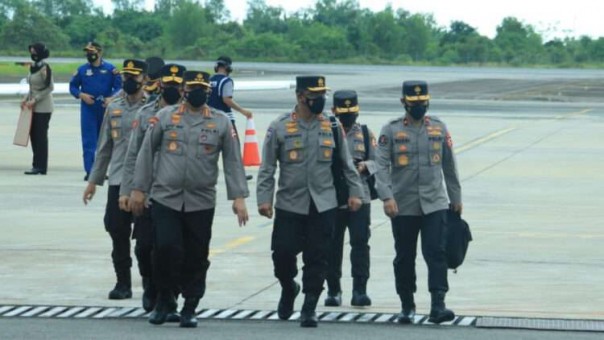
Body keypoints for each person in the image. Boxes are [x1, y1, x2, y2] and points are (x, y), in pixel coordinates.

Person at [130, 70, 249, 328]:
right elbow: (146, 153)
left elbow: (232, 160)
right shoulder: (164, 117)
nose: (197, 92)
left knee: (196, 255)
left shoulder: (220, 122)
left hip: (201, 200)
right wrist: (138, 189)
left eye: (202, 89)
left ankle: (190, 306)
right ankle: (164, 300)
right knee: (165, 249)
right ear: (184, 90)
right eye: (193, 87)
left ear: (207, 92)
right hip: (165, 197)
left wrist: (238, 196)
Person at [256, 76, 364, 328]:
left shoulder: (332, 125)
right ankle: (288, 286)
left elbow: (347, 165)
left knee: (317, 257)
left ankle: (309, 305)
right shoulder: (280, 126)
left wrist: (355, 192)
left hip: (323, 204)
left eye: (323, 95)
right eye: (315, 96)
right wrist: (264, 199)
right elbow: (267, 167)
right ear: (300, 97)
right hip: (289, 203)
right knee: (282, 254)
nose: (321, 100)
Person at [374, 80, 463, 324]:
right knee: (404, 256)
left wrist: (456, 198)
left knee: (436, 253)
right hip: (403, 204)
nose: (419, 106)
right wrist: (387, 197)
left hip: (435, 202)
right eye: (414, 103)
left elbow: (449, 165)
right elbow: (380, 166)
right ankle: (407, 305)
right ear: (404, 102)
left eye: (423, 102)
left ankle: (438, 305)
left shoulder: (439, 127)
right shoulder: (390, 130)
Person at [119, 63, 186, 316]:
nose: (171, 89)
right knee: (144, 247)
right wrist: (127, 190)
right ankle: (150, 283)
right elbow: (132, 154)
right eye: (167, 84)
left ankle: (168, 298)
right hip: (146, 192)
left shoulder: (193, 115)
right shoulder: (146, 114)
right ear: (160, 85)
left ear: (183, 87)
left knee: (172, 250)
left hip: (175, 194)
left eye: (176, 85)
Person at [82, 59, 148, 301]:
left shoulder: (152, 107)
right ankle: (123, 282)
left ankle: (149, 284)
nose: (130, 81)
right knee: (116, 229)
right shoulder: (114, 108)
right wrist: (93, 182)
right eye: (126, 76)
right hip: (118, 180)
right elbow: (104, 148)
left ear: (145, 79)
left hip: (144, 184)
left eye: (135, 77)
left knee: (146, 238)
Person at [324, 90, 376, 307]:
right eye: (343, 112)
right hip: (333, 198)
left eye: (352, 112)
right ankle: (334, 290)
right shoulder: (326, 131)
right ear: (334, 111)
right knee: (332, 245)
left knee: (360, 244)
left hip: (360, 197)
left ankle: (359, 290)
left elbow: (379, 161)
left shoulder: (365, 133)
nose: (348, 116)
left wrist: (365, 166)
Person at [69, 42, 122, 180]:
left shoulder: (111, 70)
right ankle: (90, 171)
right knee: (89, 141)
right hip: (88, 109)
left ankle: (102, 171)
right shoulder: (82, 70)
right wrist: (81, 95)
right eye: (87, 52)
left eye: (92, 52)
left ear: (99, 52)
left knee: (105, 141)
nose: (89, 55)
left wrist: (112, 98)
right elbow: (73, 87)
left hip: (105, 108)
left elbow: (120, 88)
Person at [208, 56, 253, 180]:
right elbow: (226, 99)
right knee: (233, 148)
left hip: (208, 118)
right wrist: (242, 110)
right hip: (225, 119)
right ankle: (238, 175)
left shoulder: (209, 80)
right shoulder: (226, 81)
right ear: (228, 67)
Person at [22, 42, 54, 175]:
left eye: (35, 52)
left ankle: (41, 166)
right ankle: (36, 164)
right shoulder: (33, 67)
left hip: (43, 107)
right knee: (33, 136)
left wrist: (35, 99)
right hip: (32, 106)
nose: (33, 54)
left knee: (40, 136)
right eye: (31, 52)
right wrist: (25, 99)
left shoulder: (45, 68)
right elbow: (32, 88)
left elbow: (49, 87)